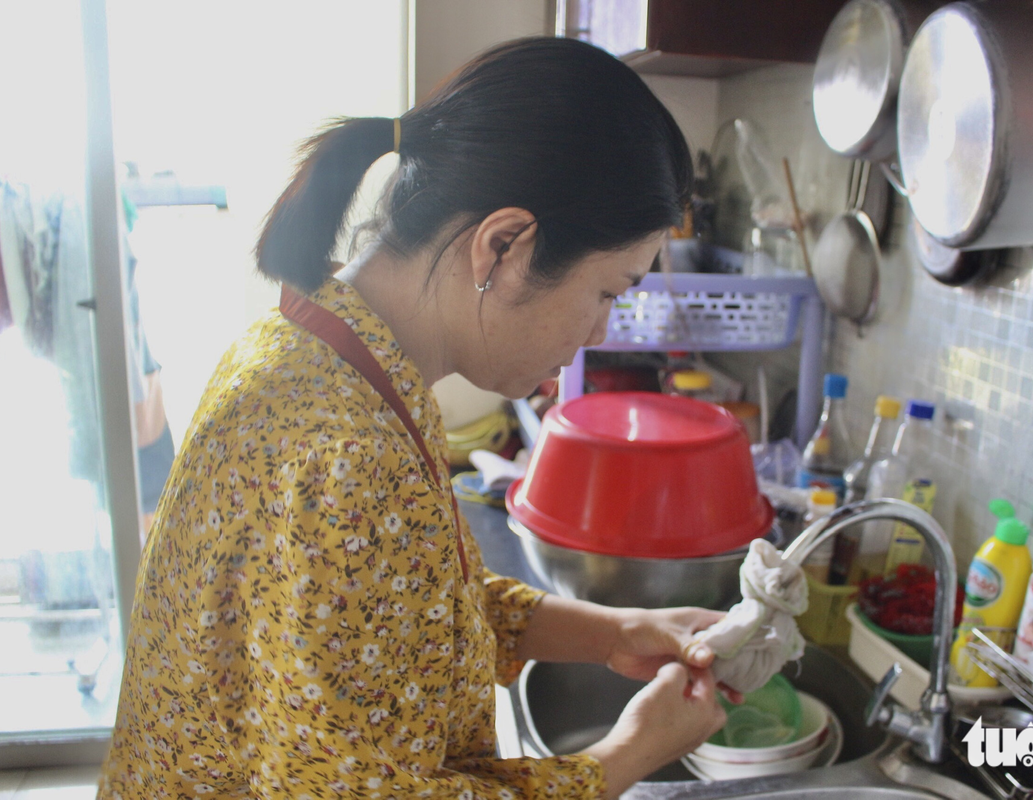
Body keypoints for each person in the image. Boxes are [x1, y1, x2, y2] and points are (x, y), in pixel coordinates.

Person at [98, 37, 736, 800]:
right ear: (503, 246)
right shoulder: (347, 459)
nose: (599, 333)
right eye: (607, 291)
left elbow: (416, 616)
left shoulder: (322, 354)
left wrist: (616, 633)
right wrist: (632, 750)